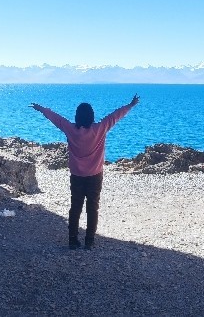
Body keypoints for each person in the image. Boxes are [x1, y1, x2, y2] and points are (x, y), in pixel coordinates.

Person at [30, 94, 139, 249]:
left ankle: (72, 240)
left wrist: (40, 109)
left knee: (75, 207)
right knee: (92, 207)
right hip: (95, 175)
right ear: (91, 116)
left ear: (77, 116)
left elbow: (56, 118)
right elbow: (115, 116)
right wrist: (131, 105)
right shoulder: (100, 129)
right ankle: (89, 240)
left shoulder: (70, 129)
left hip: (77, 176)